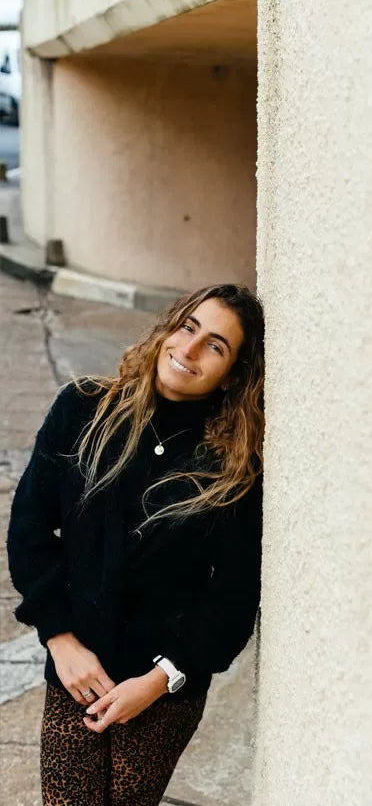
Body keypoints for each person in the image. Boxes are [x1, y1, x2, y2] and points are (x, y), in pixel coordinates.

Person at [7, 283, 264, 806]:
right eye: (187, 327)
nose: (189, 350)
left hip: (163, 691)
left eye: (215, 346)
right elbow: (30, 532)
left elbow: (233, 601)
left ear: (233, 373)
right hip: (77, 673)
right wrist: (60, 638)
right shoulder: (83, 410)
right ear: (169, 328)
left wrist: (158, 680)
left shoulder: (233, 464)